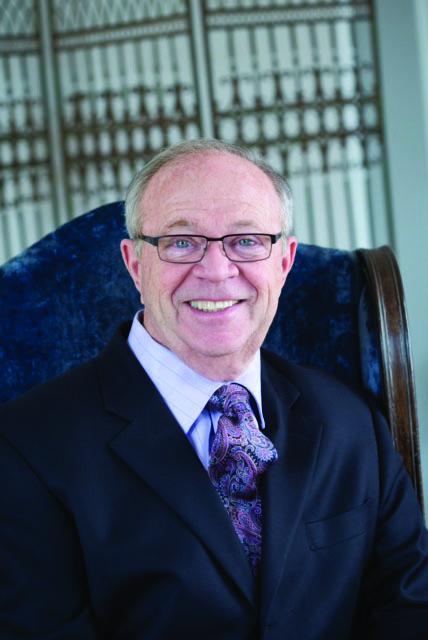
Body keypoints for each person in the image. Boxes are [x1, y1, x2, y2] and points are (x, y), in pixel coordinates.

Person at [1, 138, 428, 640]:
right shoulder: (24, 450)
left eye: (246, 240)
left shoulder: (352, 425)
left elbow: (409, 611)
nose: (217, 270)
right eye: (182, 242)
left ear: (284, 263)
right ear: (135, 265)